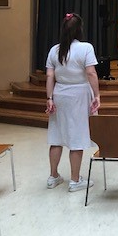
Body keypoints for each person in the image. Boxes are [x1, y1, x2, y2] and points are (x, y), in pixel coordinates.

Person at [45, 13, 100, 192]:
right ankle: (75, 180)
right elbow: (91, 73)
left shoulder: (54, 50)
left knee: (56, 136)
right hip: (79, 94)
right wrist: (97, 95)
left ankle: (53, 176)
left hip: (59, 93)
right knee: (77, 136)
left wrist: (49, 98)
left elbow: (50, 76)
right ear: (79, 30)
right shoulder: (85, 48)